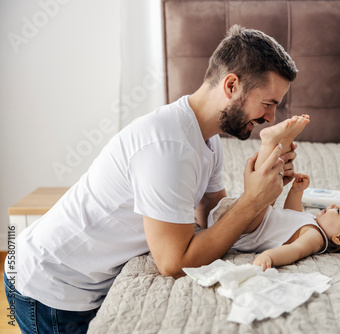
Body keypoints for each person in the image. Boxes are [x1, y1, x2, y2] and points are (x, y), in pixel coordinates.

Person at [4, 25, 299, 333]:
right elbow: (173, 263)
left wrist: (265, 187)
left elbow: (217, 220)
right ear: (231, 86)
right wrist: (250, 200)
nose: (270, 118)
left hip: (74, 279)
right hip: (51, 286)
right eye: (268, 103)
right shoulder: (168, 147)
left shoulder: (209, 141)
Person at [207, 116, 340, 270]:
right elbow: (292, 215)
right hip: (247, 220)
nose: (333, 206)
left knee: (268, 194)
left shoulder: (316, 238)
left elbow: (294, 251)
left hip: (245, 232)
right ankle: (284, 142)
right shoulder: (314, 225)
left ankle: (271, 143)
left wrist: (270, 257)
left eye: (338, 212)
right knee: (273, 186)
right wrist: (296, 192)